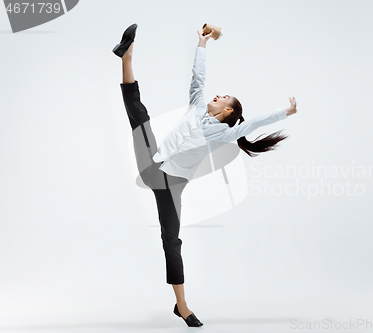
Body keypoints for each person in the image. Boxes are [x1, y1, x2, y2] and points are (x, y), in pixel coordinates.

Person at [113, 23, 298, 328]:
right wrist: (203, 43)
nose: (218, 95)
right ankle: (126, 57)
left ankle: (182, 306)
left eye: (225, 97)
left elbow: (252, 124)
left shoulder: (225, 133)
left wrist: (285, 112)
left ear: (227, 111)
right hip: (152, 163)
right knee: (140, 117)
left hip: (170, 185)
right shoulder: (197, 106)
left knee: (171, 241)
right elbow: (198, 76)